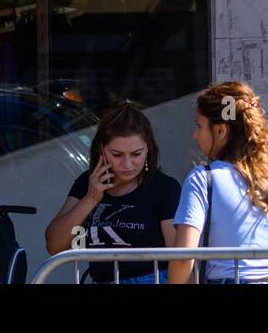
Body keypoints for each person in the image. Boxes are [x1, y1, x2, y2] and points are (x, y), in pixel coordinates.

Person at [169, 82, 268, 284]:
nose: (195, 135)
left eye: (199, 126)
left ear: (220, 131)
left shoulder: (203, 178)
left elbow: (184, 257)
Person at [44, 102, 180, 283]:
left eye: (136, 154)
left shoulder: (164, 188)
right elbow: (54, 245)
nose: (128, 164)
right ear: (102, 150)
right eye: (117, 154)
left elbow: (180, 259)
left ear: (148, 148)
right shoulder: (88, 183)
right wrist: (90, 199)